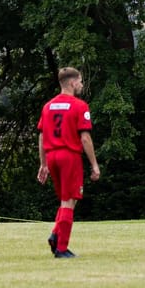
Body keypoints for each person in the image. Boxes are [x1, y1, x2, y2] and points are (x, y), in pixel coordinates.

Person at [37, 66, 100, 259]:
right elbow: (85, 138)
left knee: (65, 200)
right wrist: (94, 164)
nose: (81, 85)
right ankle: (61, 248)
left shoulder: (48, 106)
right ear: (72, 83)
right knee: (69, 201)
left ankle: (56, 234)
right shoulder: (79, 106)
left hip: (52, 156)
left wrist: (43, 163)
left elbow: (41, 136)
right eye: (80, 81)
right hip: (69, 156)